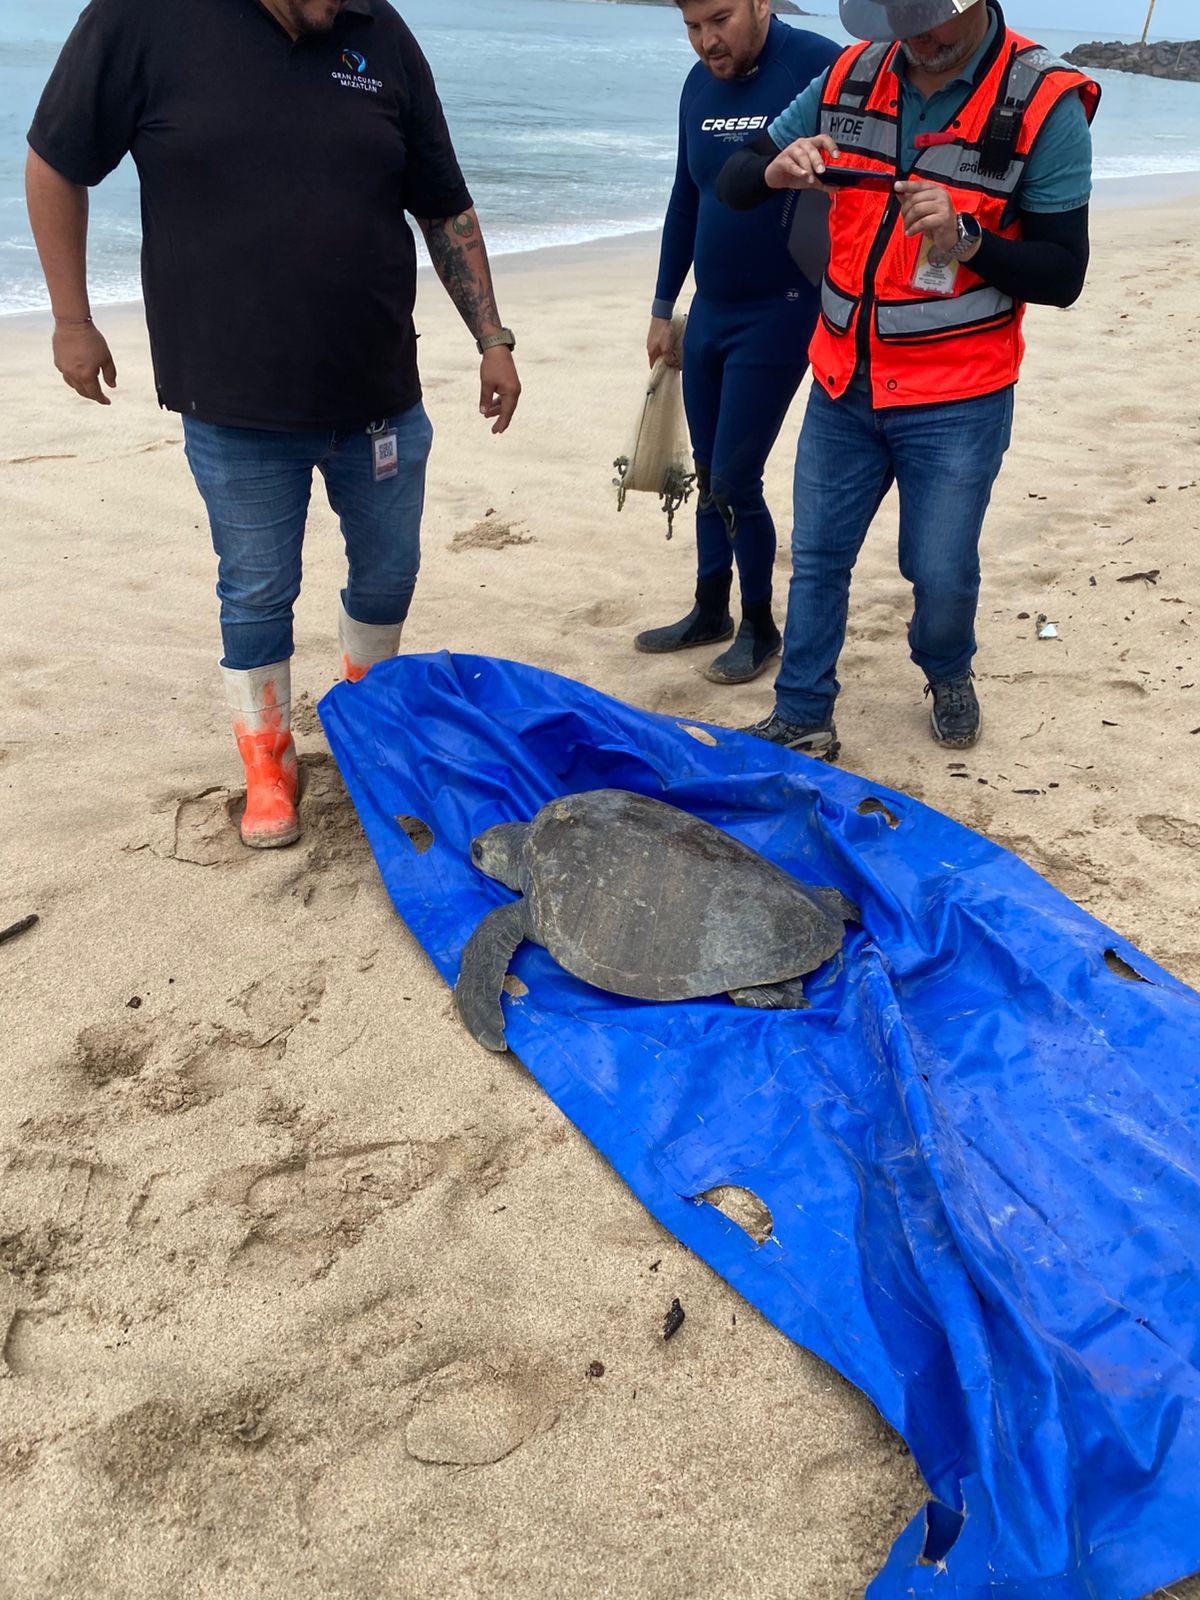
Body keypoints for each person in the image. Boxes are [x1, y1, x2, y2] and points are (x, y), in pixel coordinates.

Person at [26, 0, 521, 849]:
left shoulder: (380, 33)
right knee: (256, 589)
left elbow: (444, 206)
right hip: (234, 403)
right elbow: (55, 161)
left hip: (378, 397)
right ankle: (267, 759)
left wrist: (493, 338)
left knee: (389, 574)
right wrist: (72, 320)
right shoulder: (142, 21)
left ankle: (364, 724)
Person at [719, 0, 1098, 757]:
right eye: (899, 17)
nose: (916, 37)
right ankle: (802, 712)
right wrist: (771, 169)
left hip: (959, 394)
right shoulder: (850, 74)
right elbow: (732, 181)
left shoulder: (1044, 103)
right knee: (819, 555)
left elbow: (1064, 274)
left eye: (931, 19)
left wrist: (967, 239)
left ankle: (947, 668)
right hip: (842, 377)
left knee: (938, 568)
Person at [636, 0, 841, 686]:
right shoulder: (698, 87)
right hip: (711, 309)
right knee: (705, 469)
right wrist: (665, 306)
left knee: (734, 477)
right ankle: (709, 608)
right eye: (692, 27)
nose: (706, 41)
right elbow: (685, 199)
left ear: (760, 3)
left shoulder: (817, 65)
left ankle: (759, 624)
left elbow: (861, 172)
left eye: (719, 19)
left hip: (783, 307)